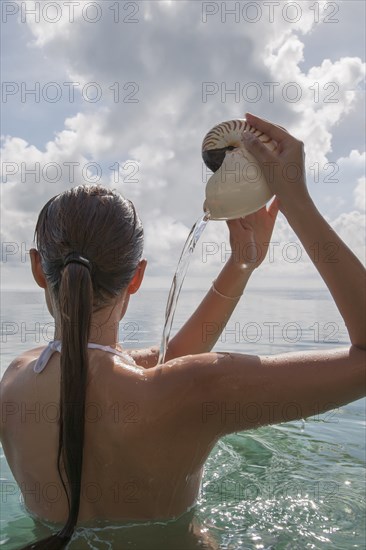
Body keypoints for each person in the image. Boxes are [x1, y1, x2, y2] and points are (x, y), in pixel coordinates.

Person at [1, 113, 365, 550]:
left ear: (39, 269)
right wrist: (296, 198)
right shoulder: (190, 391)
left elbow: (164, 366)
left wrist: (241, 265)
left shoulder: (14, 382)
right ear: (136, 278)